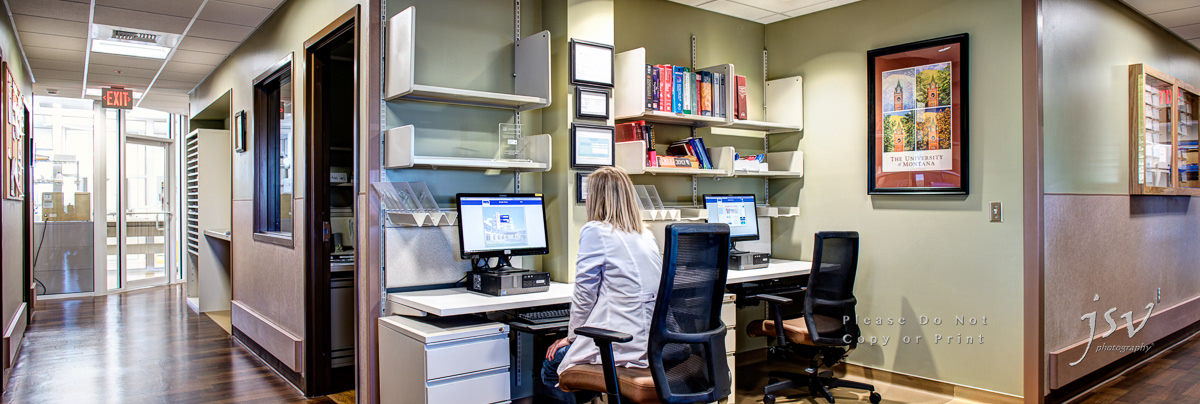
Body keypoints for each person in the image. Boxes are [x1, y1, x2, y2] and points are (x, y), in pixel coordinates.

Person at [540, 166, 663, 404]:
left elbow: (584, 295)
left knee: (551, 365)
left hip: (622, 342)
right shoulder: (644, 234)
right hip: (654, 343)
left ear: (596, 198)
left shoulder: (596, 231)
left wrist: (572, 337)